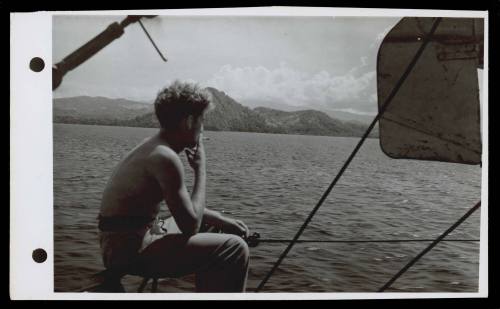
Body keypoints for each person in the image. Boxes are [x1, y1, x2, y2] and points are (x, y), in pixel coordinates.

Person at [97, 81, 250, 292]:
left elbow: (185, 210)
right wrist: (200, 169)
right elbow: (190, 226)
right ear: (188, 121)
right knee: (235, 248)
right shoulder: (165, 158)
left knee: (213, 225)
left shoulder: (154, 147)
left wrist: (222, 220)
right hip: (129, 252)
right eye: (202, 120)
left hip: (118, 245)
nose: (203, 128)